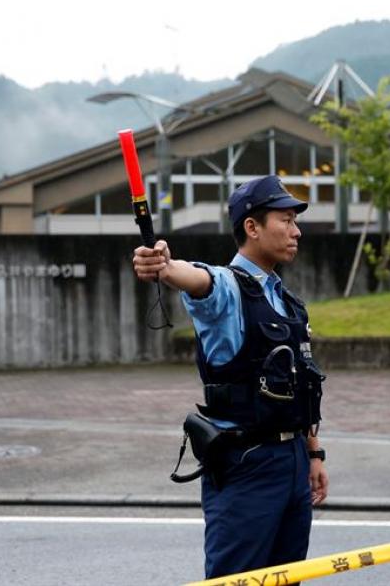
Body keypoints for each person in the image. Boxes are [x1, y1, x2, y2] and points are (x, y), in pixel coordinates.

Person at [132, 175, 329, 581]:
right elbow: (198, 278)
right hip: (248, 464)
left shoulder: (286, 299)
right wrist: (167, 267)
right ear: (252, 227)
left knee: (286, 578)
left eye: (296, 221)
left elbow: (303, 383)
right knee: (235, 579)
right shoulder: (227, 289)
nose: (296, 230)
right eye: (286, 220)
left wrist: (313, 453)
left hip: (293, 462)